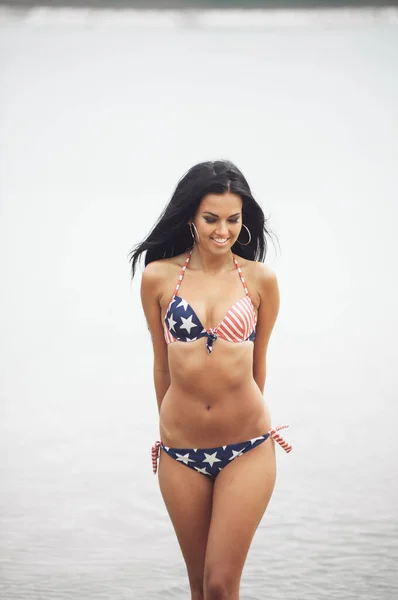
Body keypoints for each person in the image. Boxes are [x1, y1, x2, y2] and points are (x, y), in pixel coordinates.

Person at [130, 160, 291, 600]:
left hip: (248, 445)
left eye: (233, 219)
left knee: (221, 585)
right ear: (190, 218)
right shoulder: (158, 277)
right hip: (180, 450)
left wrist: (249, 415)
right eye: (211, 219)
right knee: (199, 588)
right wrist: (166, 428)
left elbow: (259, 365)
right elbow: (162, 363)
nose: (223, 230)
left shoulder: (260, 280)